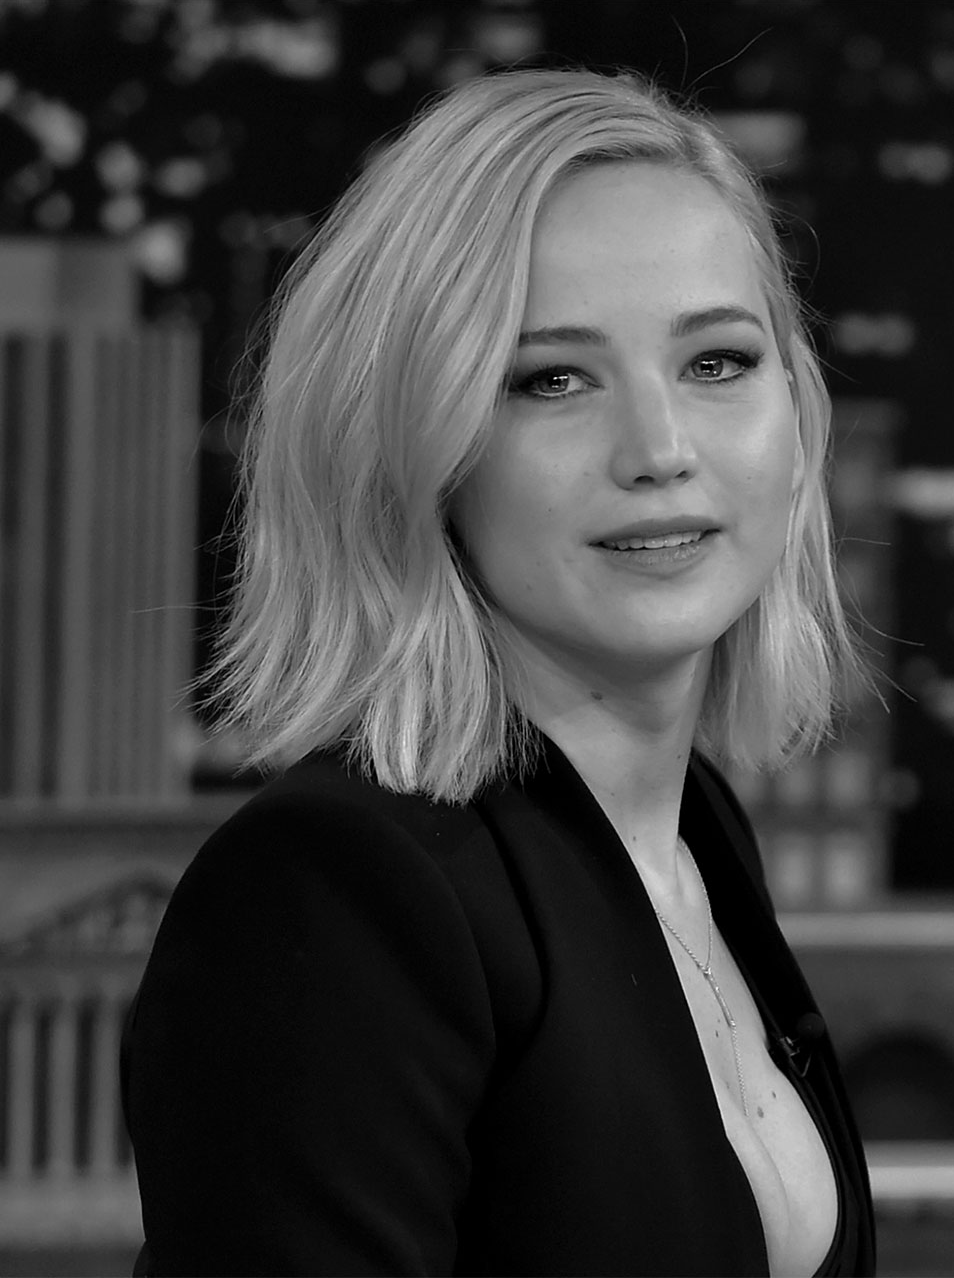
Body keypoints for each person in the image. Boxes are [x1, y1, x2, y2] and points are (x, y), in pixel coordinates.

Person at [122, 67, 876, 1278]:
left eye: (717, 361)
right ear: (414, 446)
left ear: (797, 409)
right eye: (550, 379)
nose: (660, 450)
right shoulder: (339, 890)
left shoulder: (698, 836)